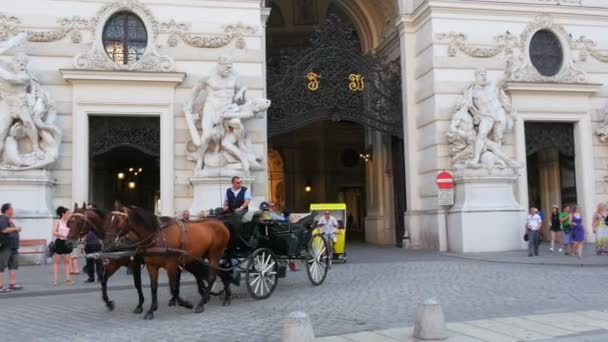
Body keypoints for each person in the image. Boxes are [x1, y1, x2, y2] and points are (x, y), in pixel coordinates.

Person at [0, 203, 22, 293]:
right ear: (7, 210)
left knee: (13, 265)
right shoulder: (3, 218)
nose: (13, 210)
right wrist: (16, 229)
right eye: (11, 209)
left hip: (13, 247)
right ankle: (0, 286)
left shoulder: (9, 219)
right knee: (1, 266)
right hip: (6, 246)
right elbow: (3, 230)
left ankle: (12, 284)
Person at [52, 206, 74, 285]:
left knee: (67, 261)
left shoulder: (70, 222)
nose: (69, 214)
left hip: (67, 242)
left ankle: (68, 279)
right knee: (57, 262)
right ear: (63, 214)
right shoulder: (58, 221)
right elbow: (54, 232)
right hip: (59, 242)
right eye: (68, 213)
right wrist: (63, 235)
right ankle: (55, 280)